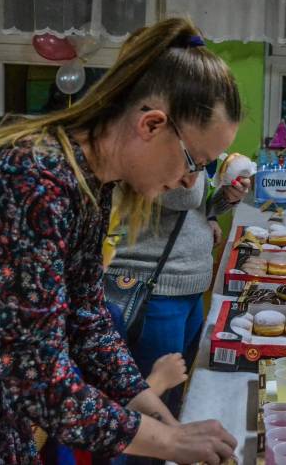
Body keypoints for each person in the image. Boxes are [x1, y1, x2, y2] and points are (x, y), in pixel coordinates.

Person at [0, 17, 241, 463]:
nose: (189, 181)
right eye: (194, 161)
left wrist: (155, 412)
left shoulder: (88, 183)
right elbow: (38, 378)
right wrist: (169, 441)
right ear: (152, 125)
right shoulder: (30, 180)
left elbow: (86, 319)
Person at [106, 166, 244, 417]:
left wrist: (224, 198)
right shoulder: (167, 152)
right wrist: (202, 158)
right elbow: (186, 196)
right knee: (151, 401)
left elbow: (196, 207)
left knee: (176, 393)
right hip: (154, 285)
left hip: (188, 281)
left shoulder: (188, 158)